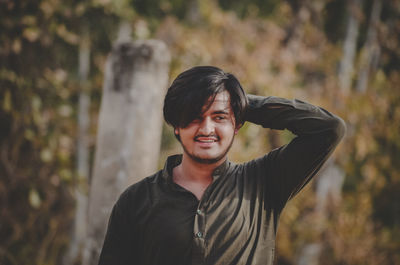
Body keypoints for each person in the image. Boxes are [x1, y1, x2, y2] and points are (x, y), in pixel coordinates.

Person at [98, 66, 346, 265]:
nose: (207, 129)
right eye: (194, 117)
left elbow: (328, 129)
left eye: (219, 117)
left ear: (236, 125)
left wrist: (239, 102)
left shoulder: (264, 182)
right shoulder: (136, 200)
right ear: (176, 125)